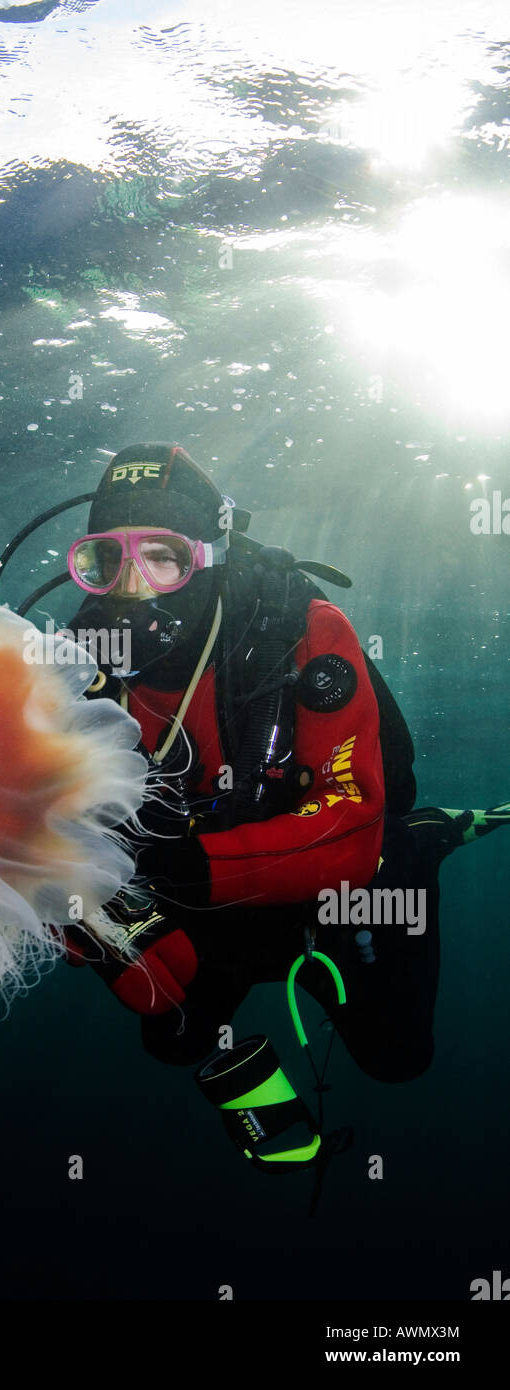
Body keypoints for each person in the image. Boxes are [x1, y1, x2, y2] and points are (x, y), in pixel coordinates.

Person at [56, 441, 509, 1174]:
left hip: (344, 888)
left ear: (209, 554)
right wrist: (74, 914)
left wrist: (182, 875)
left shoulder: (299, 630)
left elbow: (351, 824)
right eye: (106, 561)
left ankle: (426, 840)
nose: (132, 588)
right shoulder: (79, 662)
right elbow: (38, 832)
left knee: (397, 1058)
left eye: (162, 557)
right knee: (170, 1032)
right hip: (210, 893)